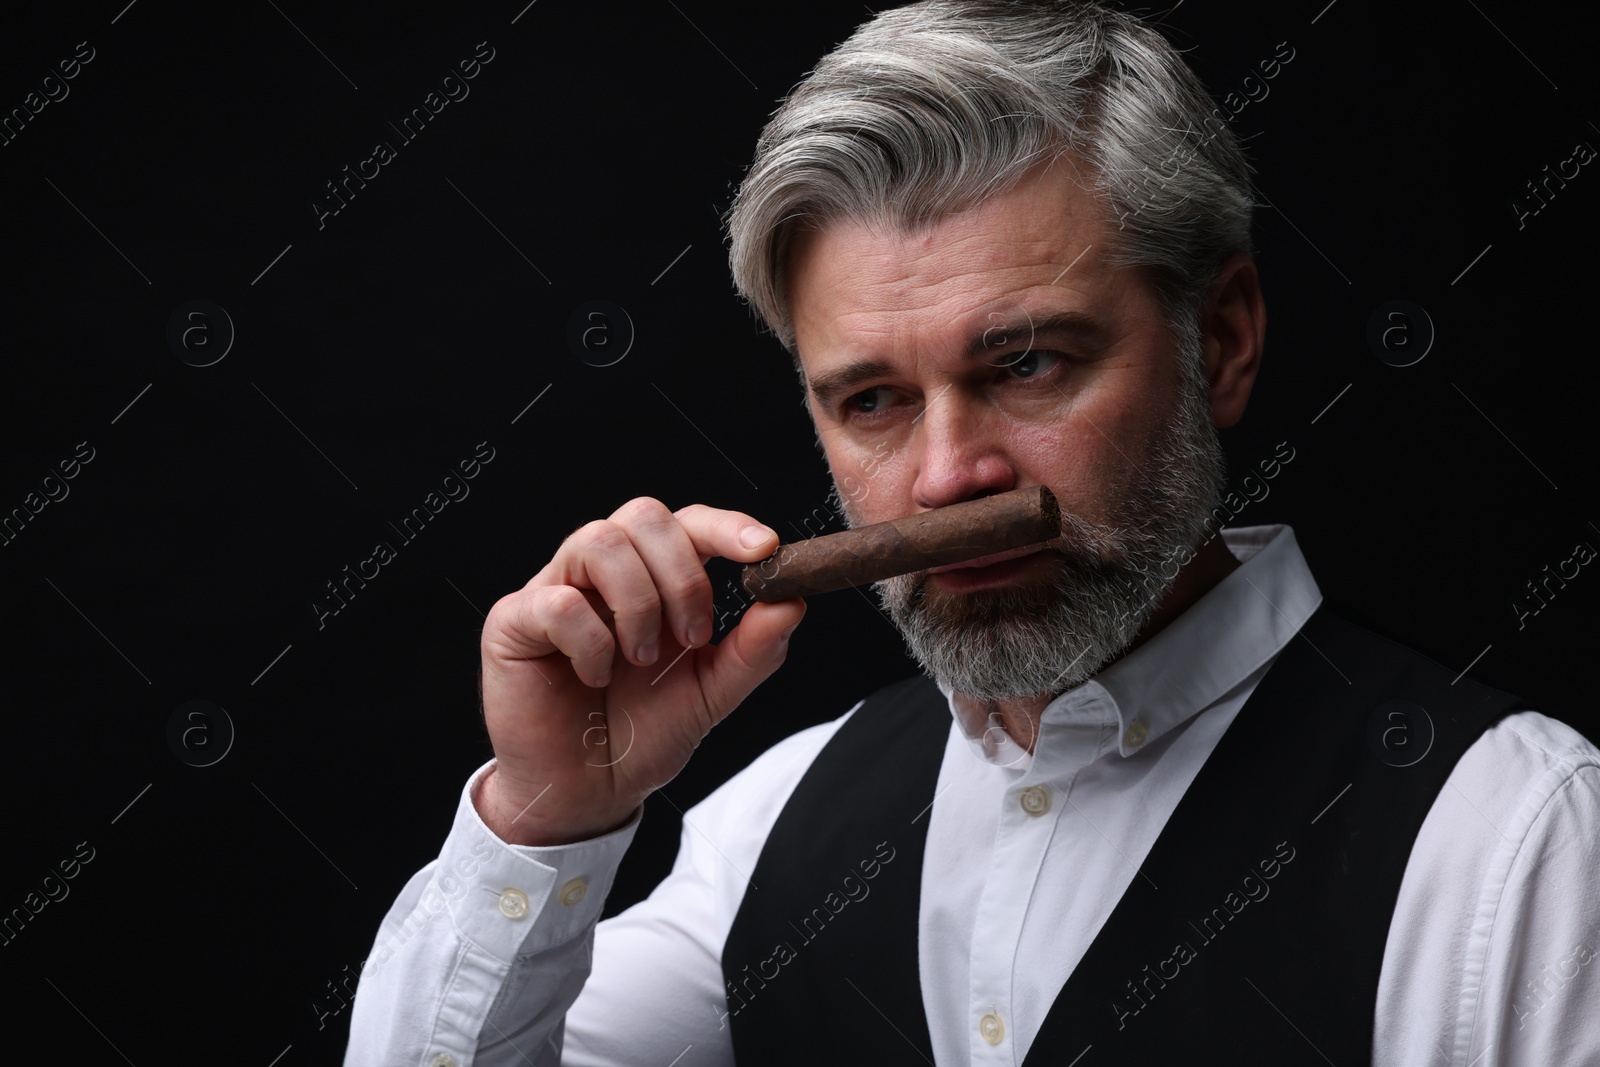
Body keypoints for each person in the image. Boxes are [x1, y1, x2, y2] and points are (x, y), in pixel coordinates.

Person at [344, 2, 1600, 1063]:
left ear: (1219, 340)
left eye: (1030, 363)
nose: (948, 476)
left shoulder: (1513, 838)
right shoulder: (773, 824)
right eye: (873, 400)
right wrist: (544, 818)